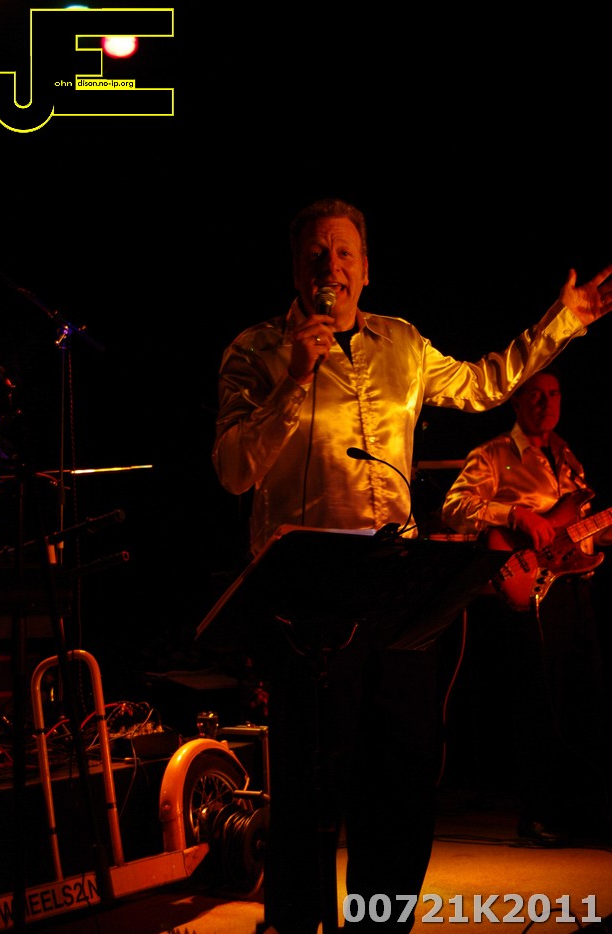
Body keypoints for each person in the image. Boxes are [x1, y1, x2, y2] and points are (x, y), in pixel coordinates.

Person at [210, 197, 612, 934]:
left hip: (396, 585)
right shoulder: (256, 350)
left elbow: (484, 384)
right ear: (295, 271)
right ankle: (297, 924)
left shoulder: (402, 342)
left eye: (344, 253)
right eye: (315, 254)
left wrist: (563, 321)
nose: (330, 266)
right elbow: (234, 471)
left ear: (365, 269)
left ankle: (380, 925)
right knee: (310, 785)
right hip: (305, 593)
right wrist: (295, 378)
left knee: (399, 782)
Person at [441, 367, 611, 845]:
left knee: (586, 696)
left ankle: (582, 811)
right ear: (515, 401)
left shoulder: (567, 455)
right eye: (535, 395)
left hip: (575, 585)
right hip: (530, 586)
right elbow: (455, 507)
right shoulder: (493, 454)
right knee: (540, 698)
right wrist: (515, 514)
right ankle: (537, 813)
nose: (546, 403)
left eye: (554, 394)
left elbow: (578, 529)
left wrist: (597, 535)